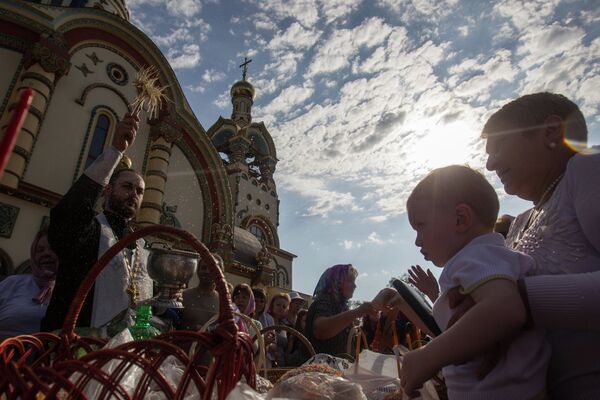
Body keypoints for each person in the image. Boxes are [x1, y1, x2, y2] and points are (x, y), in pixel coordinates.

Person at [480, 92, 600, 399]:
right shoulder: (520, 222)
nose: (490, 162)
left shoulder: (587, 169)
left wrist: (518, 301)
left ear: (550, 132)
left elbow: (513, 303)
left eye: (498, 146)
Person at [395, 165, 550, 399]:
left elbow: (506, 309)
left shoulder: (476, 256)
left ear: (461, 219)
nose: (417, 241)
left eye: (421, 226)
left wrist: (428, 356)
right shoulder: (484, 259)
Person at [41, 114, 153, 332]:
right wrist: (116, 151)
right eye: (127, 187)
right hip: (74, 346)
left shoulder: (140, 246)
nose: (134, 195)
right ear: (107, 190)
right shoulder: (87, 231)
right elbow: (69, 213)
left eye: (139, 191)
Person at [304, 264, 377, 358]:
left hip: (336, 369)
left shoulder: (342, 307)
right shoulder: (325, 300)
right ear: (336, 281)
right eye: (350, 281)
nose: (355, 285)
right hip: (318, 370)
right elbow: (320, 330)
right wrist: (358, 311)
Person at [0, 230, 59, 340]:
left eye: (53, 248)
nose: (46, 253)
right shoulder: (12, 283)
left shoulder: (73, 293)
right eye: (39, 250)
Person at [180, 256, 221, 331]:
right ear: (198, 271)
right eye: (204, 268)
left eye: (212, 269)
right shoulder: (184, 296)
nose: (207, 271)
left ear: (220, 273)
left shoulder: (224, 302)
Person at [265, 292, 290, 367]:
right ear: (272, 305)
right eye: (278, 305)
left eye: (284, 306)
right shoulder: (266, 320)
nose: (281, 308)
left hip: (281, 365)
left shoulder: (285, 325)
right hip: (268, 362)